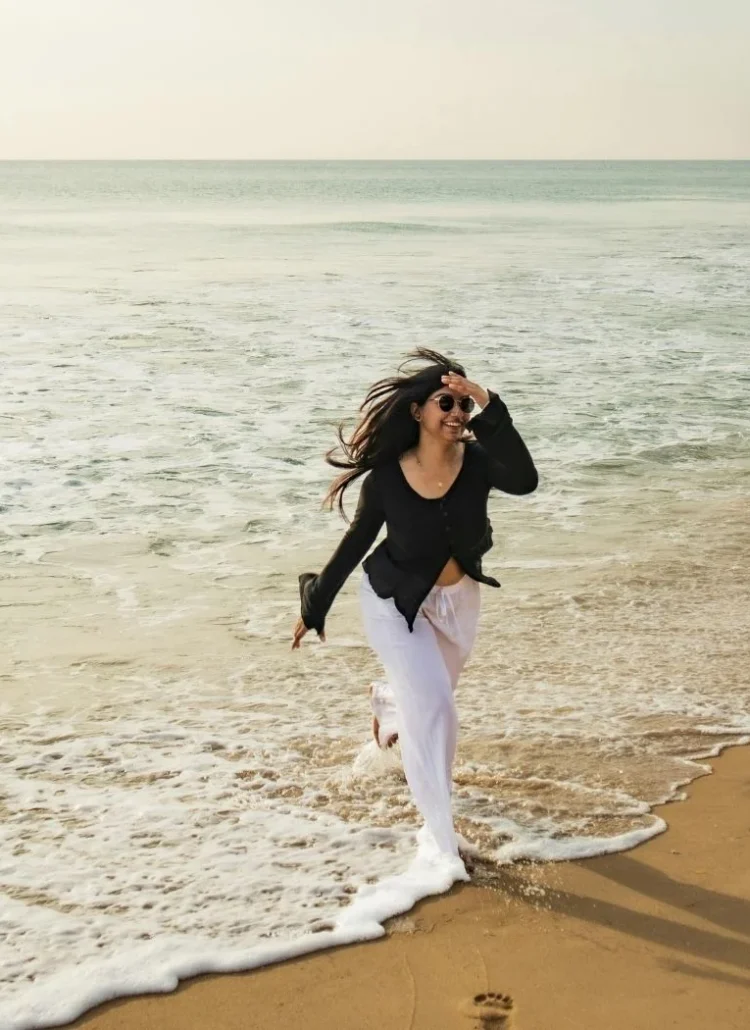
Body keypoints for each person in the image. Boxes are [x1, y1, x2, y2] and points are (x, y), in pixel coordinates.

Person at [291, 349, 538, 869]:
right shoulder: (387, 477)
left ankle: (387, 704)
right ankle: (439, 840)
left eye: (463, 405)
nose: (456, 413)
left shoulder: (478, 461)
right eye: (444, 402)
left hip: (457, 601)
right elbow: (357, 541)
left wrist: (489, 403)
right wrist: (316, 606)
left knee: (427, 699)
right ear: (417, 412)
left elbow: (525, 479)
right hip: (392, 603)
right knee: (437, 711)